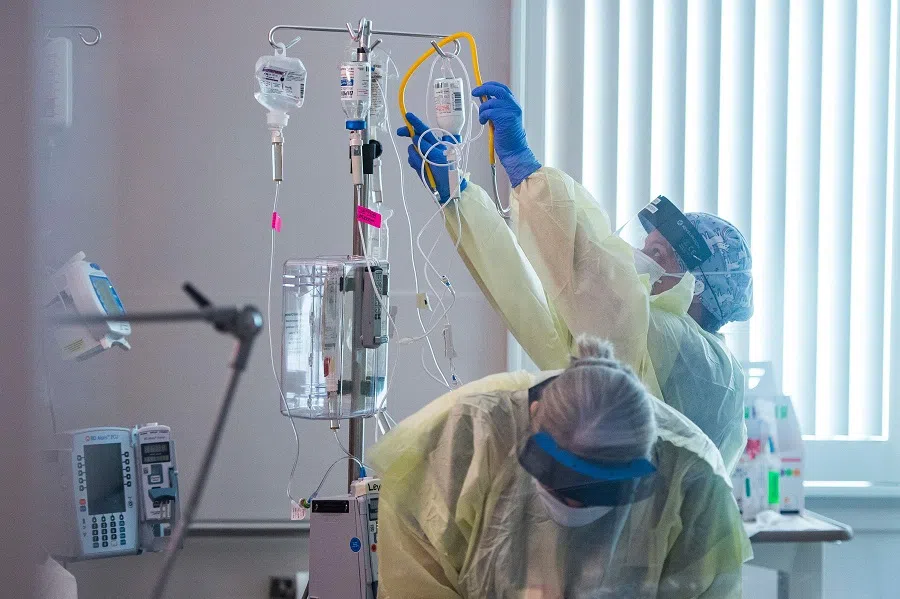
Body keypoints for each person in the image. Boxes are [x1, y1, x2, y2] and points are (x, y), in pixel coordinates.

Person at [397, 82, 753, 471]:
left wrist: (527, 172)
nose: (636, 262)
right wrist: (458, 198)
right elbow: (531, 307)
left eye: (656, 254)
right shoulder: (633, 344)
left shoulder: (696, 358)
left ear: (699, 287)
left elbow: (604, 291)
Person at [370, 335, 751, 598]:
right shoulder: (464, 441)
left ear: (647, 459)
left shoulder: (692, 480)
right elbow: (416, 583)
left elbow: (705, 587)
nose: (573, 506)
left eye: (601, 492)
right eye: (559, 480)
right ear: (532, 419)